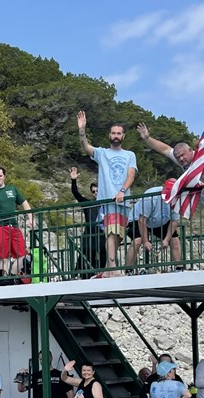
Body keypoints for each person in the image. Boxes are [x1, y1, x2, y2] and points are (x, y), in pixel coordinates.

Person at [77, 111, 137, 277]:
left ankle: (106, 268)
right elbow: (85, 146)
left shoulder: (129, 155)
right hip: (108, 200)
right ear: (109, 135)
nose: (116, 136)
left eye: (118, 133)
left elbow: (131, 175)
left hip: (123, 201)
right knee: (111, 232)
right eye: (113, 133)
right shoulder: (102, 153)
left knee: (119, 235)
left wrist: (122, 191)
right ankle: (112, 269)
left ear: (123, 136)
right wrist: (82, 130)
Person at [0, 166, 33, 276]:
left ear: (4, 176)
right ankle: (4, 279)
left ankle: (12, 276)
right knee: (3, 257)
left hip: (13, 225)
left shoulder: (12, 189)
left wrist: (30, 218)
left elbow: (24, 203)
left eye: (0, 175)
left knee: (23, 254)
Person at [129, 186, 181, 269]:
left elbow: (174, 221)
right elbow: (142, 220)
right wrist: (146, 241)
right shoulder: (151, 196)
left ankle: (179, 268)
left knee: (175, 241)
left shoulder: (177, 199)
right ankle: (128, 269)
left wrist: (166, 240)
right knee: (137, 241)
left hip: (160, 220)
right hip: (138, 218)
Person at [69, 166, 105, 274]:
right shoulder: (89, 204)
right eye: (93, 191)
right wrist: (73, 180)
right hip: (89, 235)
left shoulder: (107, 203)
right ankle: (79, 274)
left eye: (97, 190)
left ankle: (103, 274)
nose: (95, 193)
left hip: (102, 234)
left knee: (104, 256)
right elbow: (76, 194)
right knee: (87, 256)